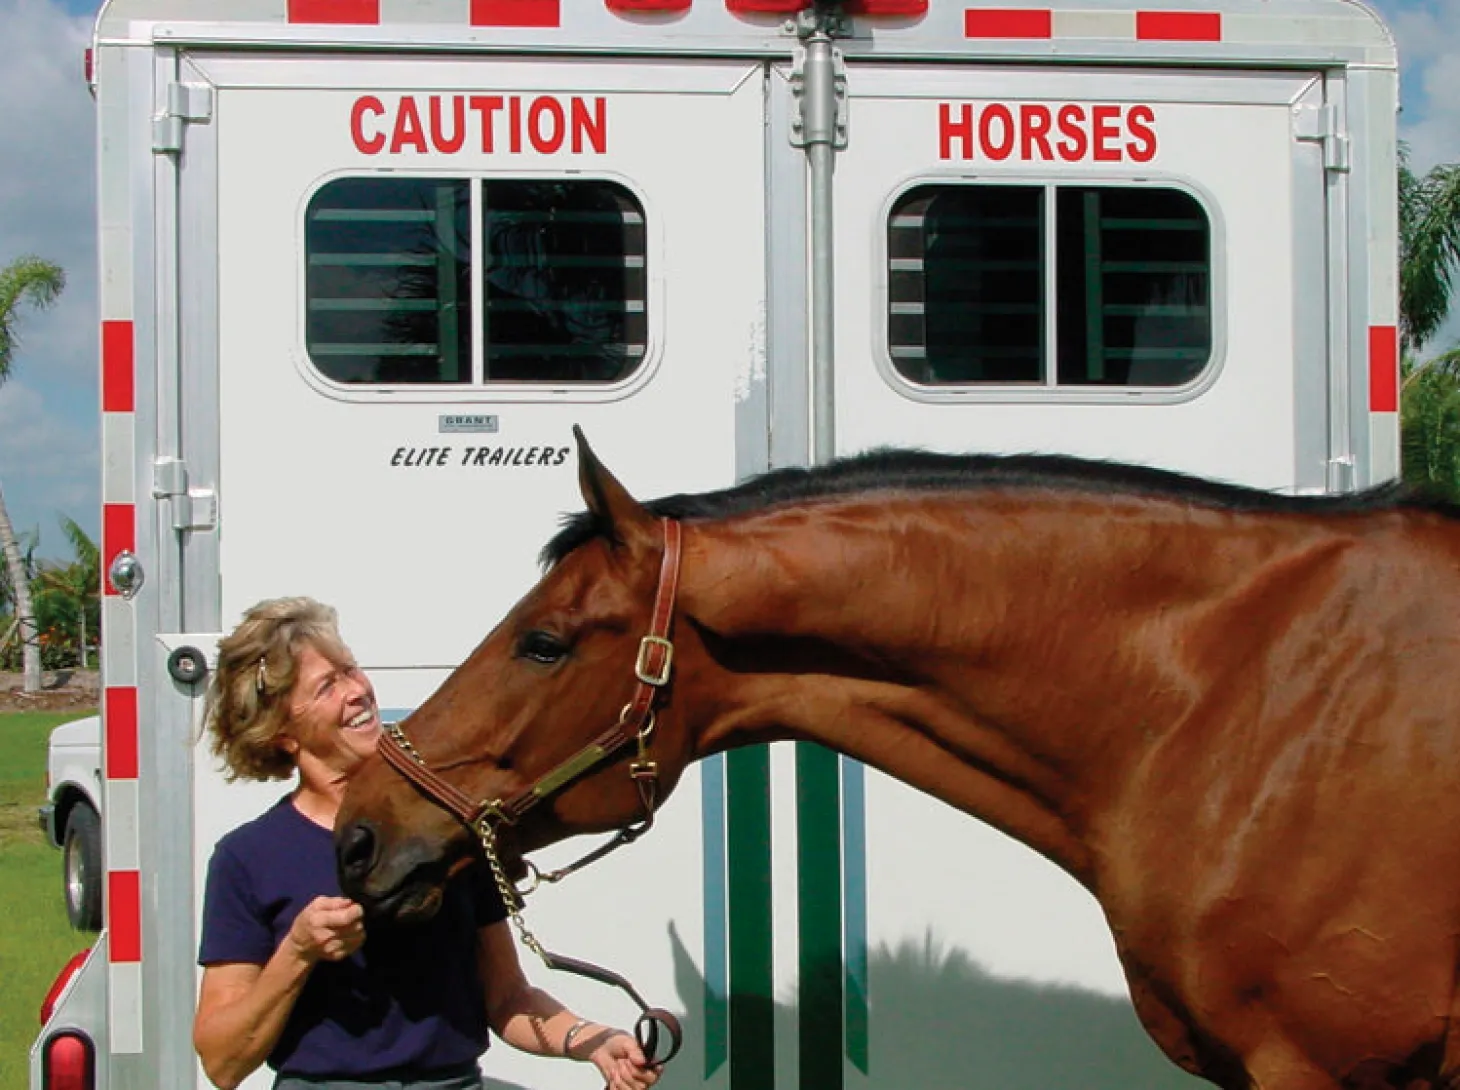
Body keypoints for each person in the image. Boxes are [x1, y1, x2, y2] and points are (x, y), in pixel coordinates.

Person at [193, 596, 660, 1090]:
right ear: (282, 733)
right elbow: (222, 1063)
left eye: (351, 670)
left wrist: (593, 1042)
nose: (357, 691)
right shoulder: (247, 857)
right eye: (328, 686)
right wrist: (298, 952)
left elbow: (508, 999)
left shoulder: (447, 826)